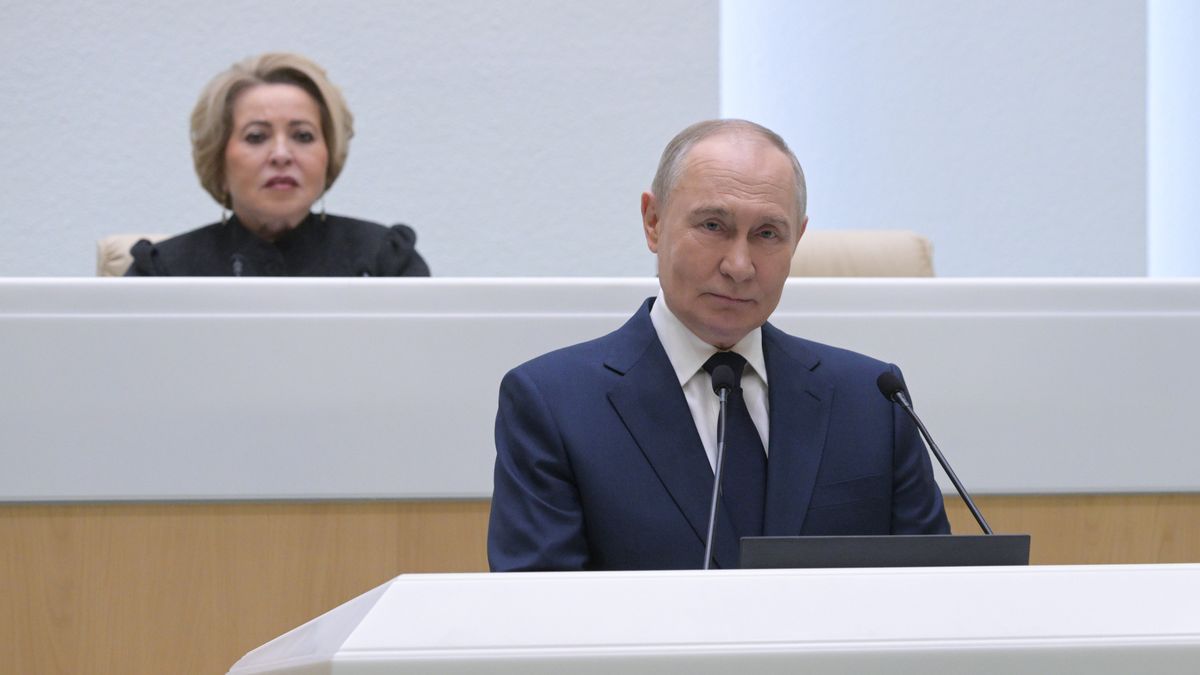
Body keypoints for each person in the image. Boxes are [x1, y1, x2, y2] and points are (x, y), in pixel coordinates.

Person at [488, 119, 948, 571]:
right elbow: (539, 618)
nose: (740, 266)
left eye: (767, 234)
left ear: (797, 240)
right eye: (713, 225)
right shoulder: (553, 404)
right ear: (653, 222)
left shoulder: (873, 399)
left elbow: (937, 595)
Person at [126, 53, 429, 276]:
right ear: (219, 161)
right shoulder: (163, 272)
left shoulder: (385, 260)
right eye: (257, 137)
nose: (281, 155)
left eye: (303, 135)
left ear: (328, 156)